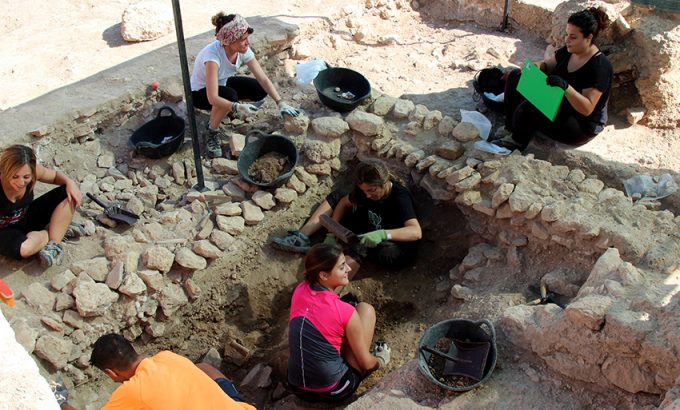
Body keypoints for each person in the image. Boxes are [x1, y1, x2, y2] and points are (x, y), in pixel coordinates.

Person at [494, 7, 612, 151]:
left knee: (528, 109)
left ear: (589, 38)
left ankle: (518, 141)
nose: (567, 40)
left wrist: (566, 87)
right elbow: (546, 65)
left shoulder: (599, 67)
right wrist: (534, 68)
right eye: (567, 34)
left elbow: (586, 109)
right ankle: (510, 127)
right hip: (560, 102)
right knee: (515, 77)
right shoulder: (570, 50)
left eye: (573, 37)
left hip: (580, 124)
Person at [271, 159, 422, 269]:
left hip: (393, 248)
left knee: (361, 247)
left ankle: (328, 289)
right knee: (338, 196)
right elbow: (343, 202)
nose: (368, 195)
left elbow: (415, 232)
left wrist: (383, 234)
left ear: (383, 183)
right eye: (364, 191)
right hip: (369, 226)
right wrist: (332, 233)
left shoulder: (400, 197)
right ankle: (301, 237)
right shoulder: (365, 192)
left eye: (372, 190)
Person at [288, 244, 391, 403]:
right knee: (366, 310)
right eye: (342, 267)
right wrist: (380, 361)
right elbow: (366, 363)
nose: (349, 269)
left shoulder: (300, 290)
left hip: (297, 389)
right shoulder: (343, 311)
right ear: (323, 275)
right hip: (336, 390)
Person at [190, 12, 301, 158]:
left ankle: (224, 108)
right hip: (199, 94)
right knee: (230, 97)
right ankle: (212, 130)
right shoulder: (212, 57)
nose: (247, 42)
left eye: (247, 38)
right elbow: (212, 97)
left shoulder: (242, 50)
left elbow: (263, 79)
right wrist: (236, 106)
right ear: (229, 41)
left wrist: (280, 102)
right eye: (243, 39)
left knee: (259, 89)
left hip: (221, 83)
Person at [55, 333, 254, 410]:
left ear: (111, 373)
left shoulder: (133, 391)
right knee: (203, 368)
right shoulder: (167, 356)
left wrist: (61, 401)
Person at [0, 144, 83, 267]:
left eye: (26, 177)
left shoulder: (34, 172)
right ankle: (54, 230)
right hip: (4, 232)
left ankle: (54, 244)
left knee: (69, 193)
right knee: (26, 249)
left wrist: (70, 182)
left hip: (26, 216)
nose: (21, 182)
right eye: (15, 177)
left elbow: (55, 176)